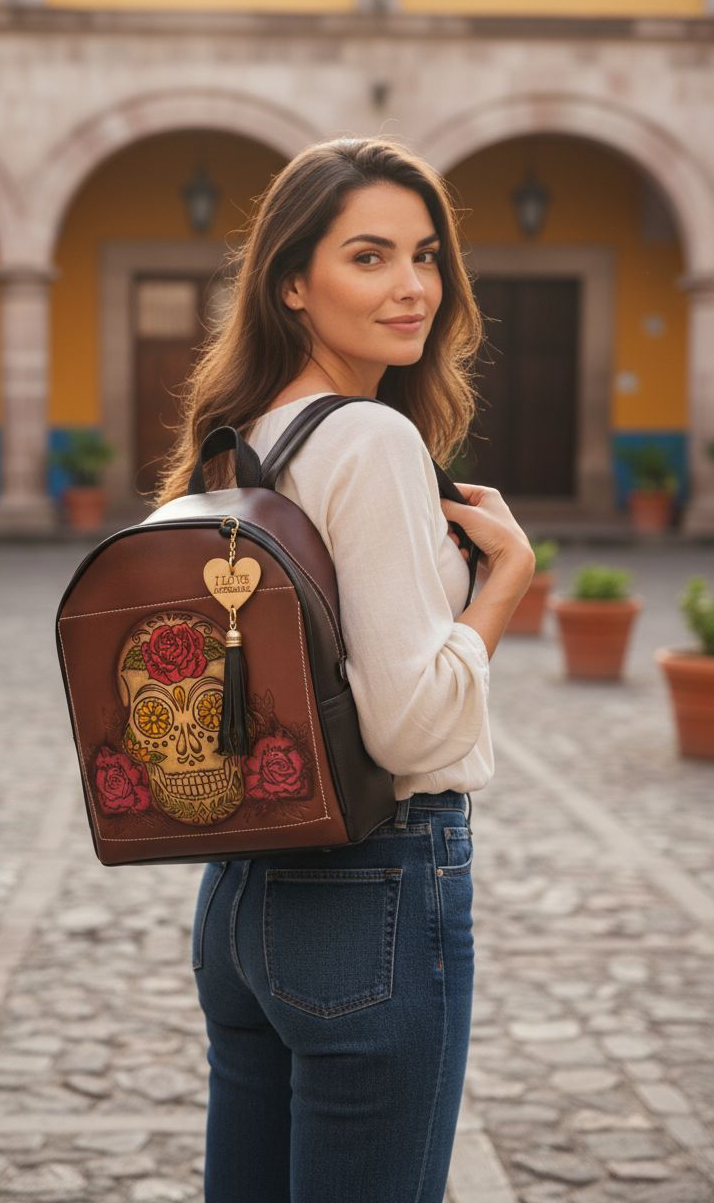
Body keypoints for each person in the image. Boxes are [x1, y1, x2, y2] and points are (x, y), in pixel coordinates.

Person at [152, 136, 535, 1203]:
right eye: (368, 257)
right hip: (372, 888)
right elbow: (409, 730)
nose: (412, 287)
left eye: (425, 256)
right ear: (291, 281)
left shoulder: (240, 443)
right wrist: (506, 580)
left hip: (241, 897)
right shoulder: (366, 439)